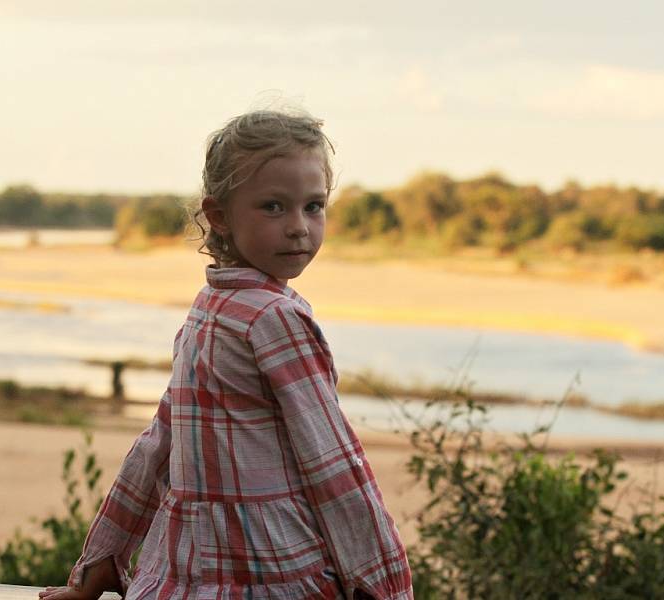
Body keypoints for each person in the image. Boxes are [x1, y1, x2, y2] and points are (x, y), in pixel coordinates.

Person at [39, 108, 413, 600]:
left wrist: (101, 562)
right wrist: (382, 584)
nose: (300, 227)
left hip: (185, 575)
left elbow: (156, 445)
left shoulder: (208, 309)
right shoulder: (275, 320)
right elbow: (333, 464)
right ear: (218, 216)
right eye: (274, 207)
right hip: (267, 570)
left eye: (314, 206)